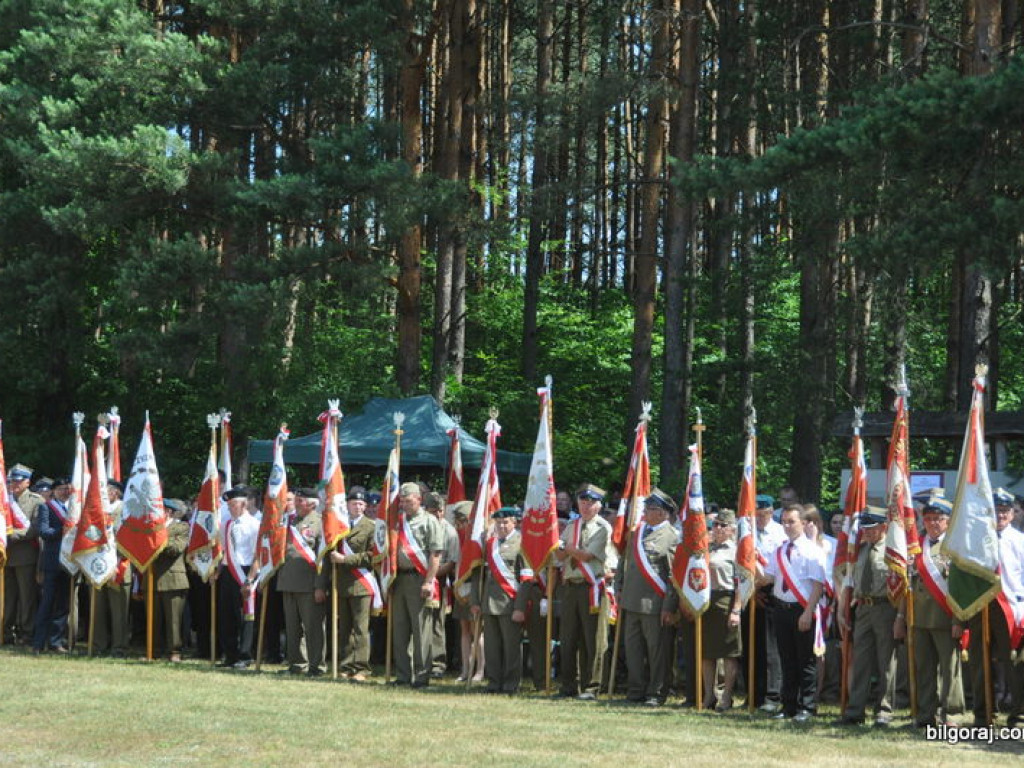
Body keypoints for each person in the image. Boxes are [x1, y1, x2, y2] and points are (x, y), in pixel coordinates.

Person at [896, 493, 965, 728]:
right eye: (928, 518)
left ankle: (952, 714)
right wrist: (901, 617)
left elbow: (960, 589)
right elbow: (907, 587)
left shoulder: (955, 548)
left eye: (938, 518)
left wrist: (958, 620)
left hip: (945, 618)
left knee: (950, 669)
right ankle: (925, 714)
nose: (933, 523)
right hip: (919, 618)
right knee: (924, 669)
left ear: (948, 521)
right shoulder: (916, 547)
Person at [761, 504, 826, 723]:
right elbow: (768, 578)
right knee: (786, 659)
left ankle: (807, 706)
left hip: (802, 609)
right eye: (784, 522)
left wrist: (807, 613)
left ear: (804, 523)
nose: (787, 526)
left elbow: (818, 585)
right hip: (781, 608)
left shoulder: (812, 551)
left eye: (792, 522)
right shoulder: (779, 550)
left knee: (805, 661)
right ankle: (788, 705)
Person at [966, 488, 1024, 727]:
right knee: (980, 661)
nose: (1000, 515)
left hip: (1011, 608)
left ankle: (1018, 714)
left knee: (1015, 663)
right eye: (995, 510)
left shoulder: (1020, 541)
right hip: (982, 605)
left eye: (1004, 511)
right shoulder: (975, 541)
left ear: (1012, 513)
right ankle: (984, 713)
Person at [616, 488, 678, 707]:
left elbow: (673, 576)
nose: (644, 512)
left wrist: (669, 606)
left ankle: (656, 692)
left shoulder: (671, 536)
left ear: (662, 513)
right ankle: (635, 690)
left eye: (649, 509)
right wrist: (619, 587)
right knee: (633, 649)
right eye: (646, 508)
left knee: (656, 651)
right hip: (631, 601)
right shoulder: (637, 532)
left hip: (654, 603)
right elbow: (624, 563)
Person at [837, 508, 899, 726]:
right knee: (861, 661)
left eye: (873, 529)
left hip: (885, 608)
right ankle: (855, 710)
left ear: (884, 527)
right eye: (865, 529)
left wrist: (900, 616)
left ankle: (884, 710)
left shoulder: (892, 552)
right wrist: (842, 609)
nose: (868, 532)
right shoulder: (861, 550)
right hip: (863, 608)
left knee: (886, 662)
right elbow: (850, 580)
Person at [553, 483, 612, 700]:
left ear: (599, 506)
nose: (586, 506)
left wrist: (568, 548)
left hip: (591, 588)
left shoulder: (603, 528)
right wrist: (565, 548)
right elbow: (559, 555)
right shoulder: (572, 525)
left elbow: (586, 556)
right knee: (567, 638)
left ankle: (592, 686)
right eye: (583, 502)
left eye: (591, 503)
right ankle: (568, 685)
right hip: (570, 586)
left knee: (593, 639)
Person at [390, 482, 444, 687]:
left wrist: (429, 581)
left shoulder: (430, 521)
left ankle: (421, 675)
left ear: (419, 500)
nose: (404, 505)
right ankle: (402, 675)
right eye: (402, 501)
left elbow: (435, 554)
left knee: (421, 629)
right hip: (399, 578)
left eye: (408, 501)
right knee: (400, 628)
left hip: (419, 578)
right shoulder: (397, 521)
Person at [326, 486, 379, 681]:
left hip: (361, 582)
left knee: (360, 628)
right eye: (354, 503)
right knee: (345, 627)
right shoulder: (339, 525)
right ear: (347, 505)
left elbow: (373, 555)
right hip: (341, 583)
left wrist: (345, 560)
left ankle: (361, 667)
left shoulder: (371, 526)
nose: (358, 507)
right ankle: (346, 665)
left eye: (361, 504)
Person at [472, 506, 526, 694]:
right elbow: (478, 574)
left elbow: (526, 578)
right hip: (488, 602)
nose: (502, 526)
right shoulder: (490, 544)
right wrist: (475, 601)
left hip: (509, 602)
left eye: (506, 522)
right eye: (498, 522)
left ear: (514, 522)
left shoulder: (522, 543)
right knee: (492, 647)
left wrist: (520, 607)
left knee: (511, 647)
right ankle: (494, 682)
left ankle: (511, 684)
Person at [743, 493, 785, 712]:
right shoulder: (746, 531)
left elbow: (781, 567)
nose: (757, 519)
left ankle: (772, 694)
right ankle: (753, 693)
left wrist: (761, 589)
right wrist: (751, 592)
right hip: (748, 592)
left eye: (761, 515)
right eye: (754, 515)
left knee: (770, 648)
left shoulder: (780, 533)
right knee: (751, 645)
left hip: (771, 592)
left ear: (770, 512)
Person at [277, 487, 325, 676]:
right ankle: (297, 664)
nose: (296, 504)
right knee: (292, 627)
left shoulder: (320, 522)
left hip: (309, 584)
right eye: (296, 500)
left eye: (300, 501)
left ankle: (316, 666)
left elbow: (323, 558)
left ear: (312, 504)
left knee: (313, 628)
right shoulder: (291, 521)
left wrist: (320, 585)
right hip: (289, 581)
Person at [701, 508, 742, 711]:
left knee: (728, 652)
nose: (717, 528)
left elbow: (741, 583)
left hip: (726, 600)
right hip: (706, 600)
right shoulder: (706, 548)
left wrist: (736, 610)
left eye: (723, 525)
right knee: (707, 652)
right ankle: (709, 695)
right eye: (715, 524)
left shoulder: (736, 551)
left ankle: (726, 696)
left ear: (732, 529)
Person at [215, 486, 259, 669]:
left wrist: (249, 579)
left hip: (245, 571)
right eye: (229, 505)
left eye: (233, 505)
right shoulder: (227, 525)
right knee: (226, 615)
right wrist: (218, 571)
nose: (230, 508)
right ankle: (230, 655)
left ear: (244, 505)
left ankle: (245, 655)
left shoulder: (254, 525)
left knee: (245, 615)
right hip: (227, 571)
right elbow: (224, 552)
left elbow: (258, 556)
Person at [31, 476, 72, 654]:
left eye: (67, 489)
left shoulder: (73, 509)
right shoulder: (46, 507)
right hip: (52, 561)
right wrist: (61, 531)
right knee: (47, 602)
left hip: (69, 561)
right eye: (61, 489)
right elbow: (44, 532)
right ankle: (38, 643)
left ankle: (56, 642)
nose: (65, 492)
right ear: (54, 491)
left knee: (63, 604)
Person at [4, 463, 43, 644]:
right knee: (8, 597)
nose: (14, 484)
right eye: (12, 481)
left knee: (27, 597)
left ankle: (27, 632)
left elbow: (33, 530)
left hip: (26, 557)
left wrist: (9, 534)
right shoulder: (5, 499)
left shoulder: (36, 501)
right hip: (6, 556)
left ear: (27, 482)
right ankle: (5, 631)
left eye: (18, 481)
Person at [94, 479, 132, 657]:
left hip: (119, 565)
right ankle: (99, 644)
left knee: (119, 611)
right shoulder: (96, 509)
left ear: (115, 492)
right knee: (98, 609)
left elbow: (130, 538)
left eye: (105, 491)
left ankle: (119, 646)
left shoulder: (126, 509)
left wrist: (115, 559)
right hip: (97, 565)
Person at [425, 491, 459, 678]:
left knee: (437, 624)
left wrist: (431, 575)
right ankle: (419, 660)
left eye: (440, 510)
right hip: (418, 579)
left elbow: (451, 562)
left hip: (439, 582)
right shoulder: (420, 526)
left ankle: (438, 663)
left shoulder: (450, 531)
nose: (438, 514)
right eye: (433, 511)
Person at [449, 501, 484, 682]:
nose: (460, 524)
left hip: (474, 587)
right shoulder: (458, 536)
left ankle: (480, 670)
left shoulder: (478, 535)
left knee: (477, 630)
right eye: (458, 520)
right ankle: (466, 669)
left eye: (463, 520)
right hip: (460, 585)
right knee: (464, 629)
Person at [152, 499, 190, 662]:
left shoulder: (181, 527)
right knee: (154, 618)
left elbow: (176, 549)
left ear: (168, 512)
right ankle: (154, 649)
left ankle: (174, 650)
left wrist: (158, 536)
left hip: (173, 578)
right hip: (152, 577)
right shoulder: (150, 528)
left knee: (173, 619)